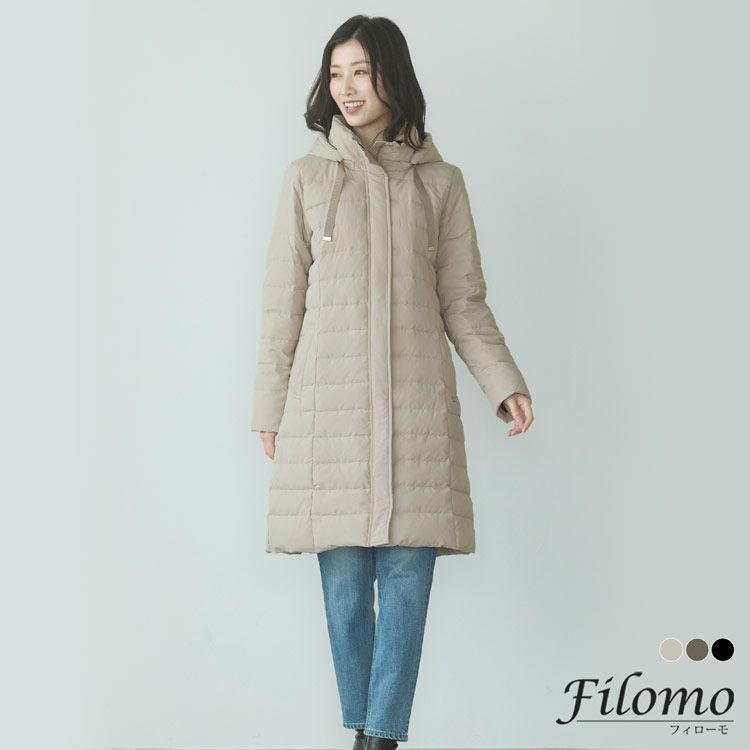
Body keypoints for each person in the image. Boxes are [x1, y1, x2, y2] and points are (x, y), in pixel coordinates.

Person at [251, 15, 534, 749]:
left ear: (392, 77)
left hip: (416, 412)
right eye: (336, 73)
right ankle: (366, 728)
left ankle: (377, 739)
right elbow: (283, 303)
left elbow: (462, 299)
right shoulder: (306, 179)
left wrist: (501, 381)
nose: (347, 88)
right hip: (328, 413)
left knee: (407, 578)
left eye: (362, 72)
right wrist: (270, 407)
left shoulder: (441, 184)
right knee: (346, 591)